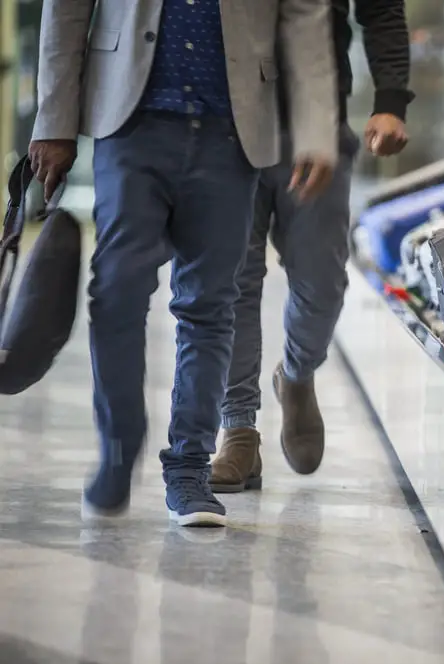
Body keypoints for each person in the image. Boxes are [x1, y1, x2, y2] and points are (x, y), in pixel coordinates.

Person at [29, 0, 339, 527]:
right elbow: (66, 9)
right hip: (131, 121)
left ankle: (189, 470)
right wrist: (54, 118)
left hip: (232, 128)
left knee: (209, 305)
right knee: (117, 292)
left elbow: (306, 16)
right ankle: (120, 447)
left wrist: (315, 128)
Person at [208, 0, 414, 493]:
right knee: (233, 282)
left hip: (317, 119)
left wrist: (390, 100)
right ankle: (238, 429)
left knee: (322, 282)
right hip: (226, 119)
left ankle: (297, 373)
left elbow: (381, 9)